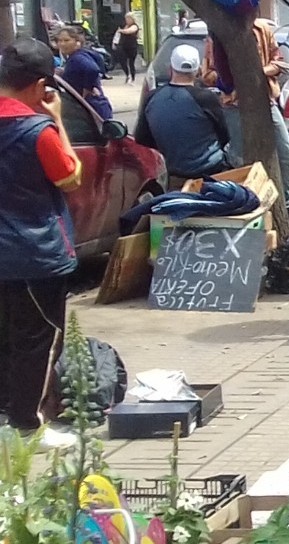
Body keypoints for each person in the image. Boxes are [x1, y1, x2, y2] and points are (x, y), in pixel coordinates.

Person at [0, 38, 83, 450]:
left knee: (4, 336)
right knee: (38, 339)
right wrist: (58, 120)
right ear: (39, 86)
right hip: (35, 253)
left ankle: (6, 415)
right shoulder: (39, 130)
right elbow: (69, 175)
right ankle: (27, 424)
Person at [201, 20, 289, 227]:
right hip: (234, 105)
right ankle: (247, 206)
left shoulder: (263, 30)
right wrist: (230, 78)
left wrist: (259, 71)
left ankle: (286, 206)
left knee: (286, 154)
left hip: (266, 101)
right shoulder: (218, 34)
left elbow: (278, 62)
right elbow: (207, 75)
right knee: (241, 159)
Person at [134, 44, 232, 180]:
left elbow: (141, 138)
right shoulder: (206, 98)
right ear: (198, 71)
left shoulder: (152, 97)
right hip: (212, 173)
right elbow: (225, 136)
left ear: (170, 69)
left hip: (173, 175)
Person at [54, 26, 112, 119]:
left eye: (66, 40)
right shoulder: (84, 53)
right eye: (60, 41)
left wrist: (87, 89)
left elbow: (92, 69)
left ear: (77, 42)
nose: (62, 44)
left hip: (92, 109)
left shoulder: (77, 57)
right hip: (97, 106)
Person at [115, 13, 139, 84]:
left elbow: (130, 31)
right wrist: (114, 43)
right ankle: (127, 74)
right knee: (122, 61)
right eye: (126, 18)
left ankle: (132, 78)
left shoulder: (134, 26)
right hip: (123, 46)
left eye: (128, 18)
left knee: (131, 63)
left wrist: (122, 31)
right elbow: (117, 35)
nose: (127, 20)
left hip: (132, 47)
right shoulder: (124, 26)